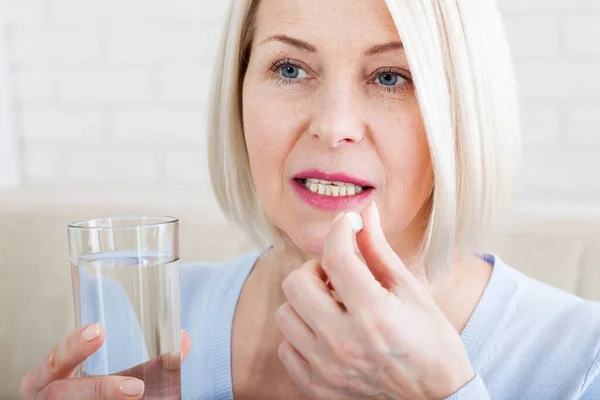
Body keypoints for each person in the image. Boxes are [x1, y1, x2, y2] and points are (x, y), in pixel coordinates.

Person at [20, 0, 600, 399]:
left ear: (462, 115)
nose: (333, 125)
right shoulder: (133, 321)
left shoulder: (581, 360)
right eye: (291, 68)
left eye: (391, 77)